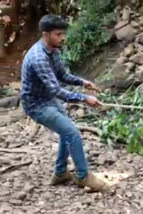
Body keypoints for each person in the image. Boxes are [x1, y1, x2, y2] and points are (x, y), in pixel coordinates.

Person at [20, 14, 106, 191]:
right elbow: (57, 90)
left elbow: (62, 76)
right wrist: (84, 98)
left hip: (48, 99)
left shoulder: (53, 50)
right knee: (72, 133)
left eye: (62, 34)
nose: (62, 38)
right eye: (58, 34)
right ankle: (83, 176)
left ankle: (60, 173)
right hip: (36, 105)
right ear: (46, 34)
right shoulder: (38, 58)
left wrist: (83, 82)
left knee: (66, 132)